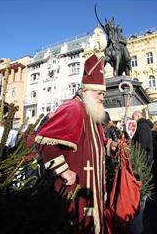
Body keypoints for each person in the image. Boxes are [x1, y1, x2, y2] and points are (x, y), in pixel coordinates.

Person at [34, 54, 117, 233]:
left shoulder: (92, 113)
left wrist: (111, 146)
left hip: (92, 186)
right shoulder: (73, 108)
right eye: (99, 93)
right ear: (85, 91)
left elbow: (98, 144)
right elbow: (44, 141)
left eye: (103, 93)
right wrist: (63, 170)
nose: (102, 97)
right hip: (75, 188)